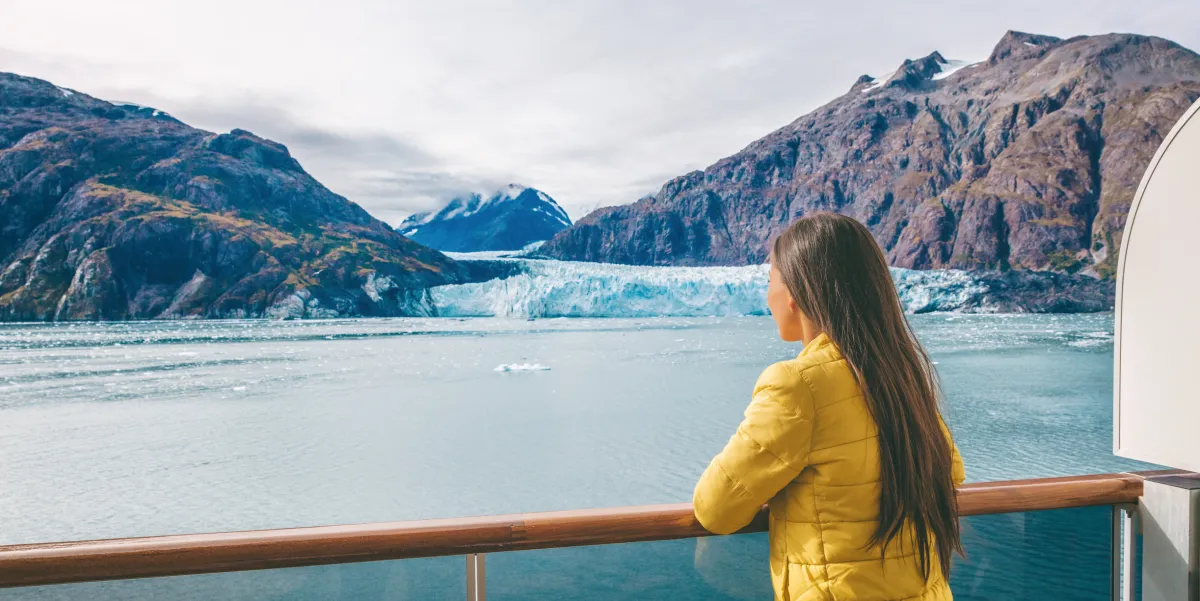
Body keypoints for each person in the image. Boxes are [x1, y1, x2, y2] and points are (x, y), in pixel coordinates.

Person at [693, 212, 965, 601]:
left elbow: (715, 509)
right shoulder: (901, 374)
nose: (766, 296)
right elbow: (952, 472)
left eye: (770, 280)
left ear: (795, 295)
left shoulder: (797, 385)